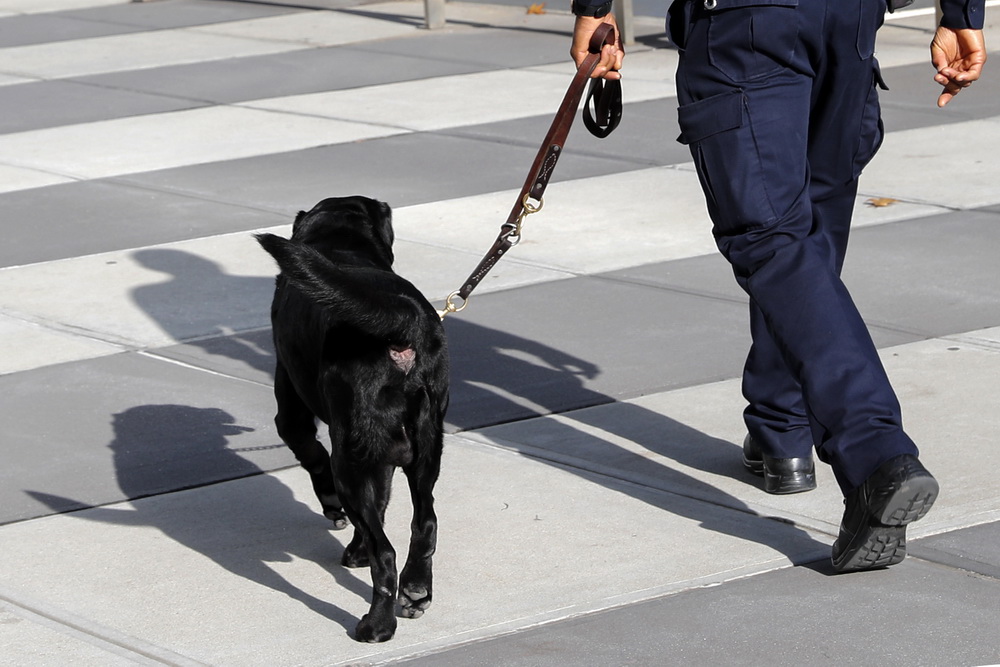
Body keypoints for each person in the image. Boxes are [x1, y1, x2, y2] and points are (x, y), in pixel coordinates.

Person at [570, 0, 986, 572]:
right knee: (807, 237)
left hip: (746, 24)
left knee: (773, 241)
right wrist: (961, 11)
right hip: (847, 18)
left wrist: (594, 9)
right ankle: (782, 426)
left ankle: (875, 453)